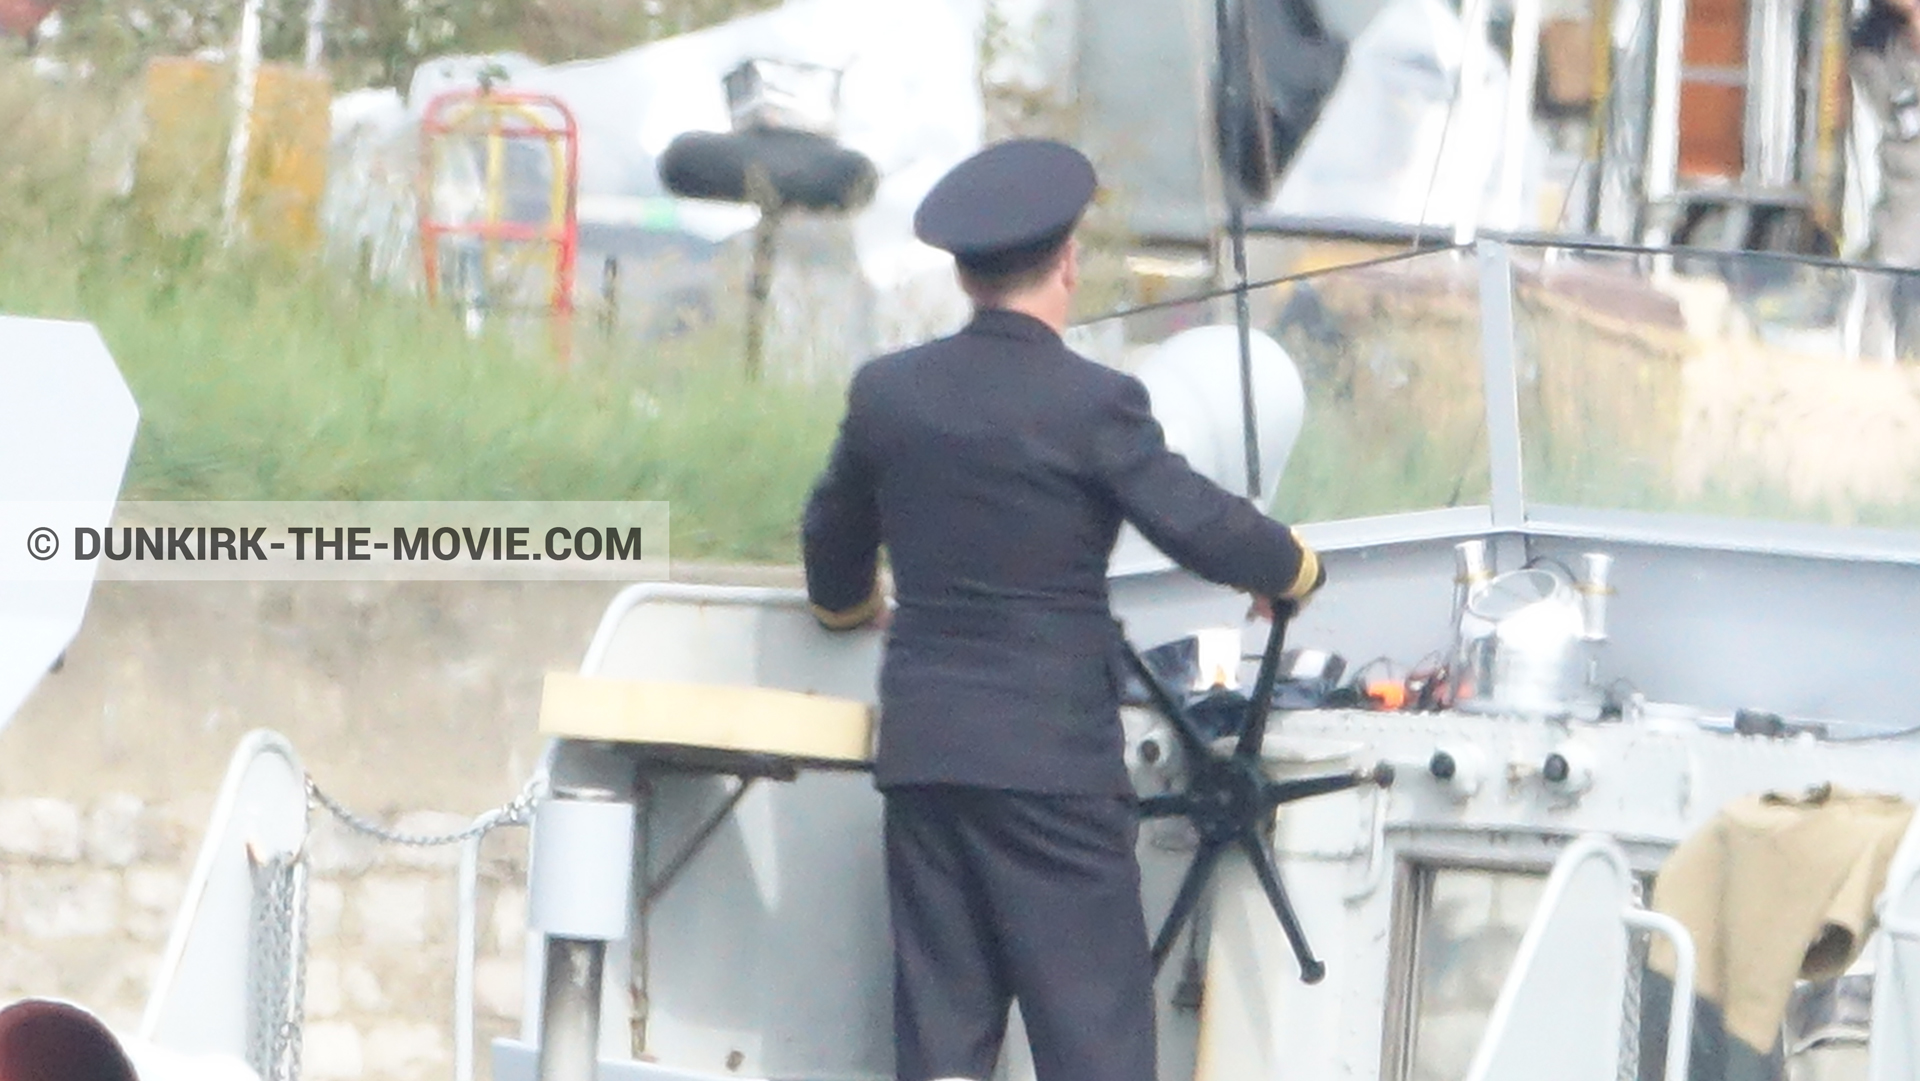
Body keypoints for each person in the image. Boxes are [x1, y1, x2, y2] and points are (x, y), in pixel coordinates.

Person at [801, 138, 1325, 1081]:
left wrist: (849, 609)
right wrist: (1288, 567)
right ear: (1069, 263)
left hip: (927, 761)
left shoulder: (890, 395)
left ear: (962, 272)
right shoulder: (1092, 402)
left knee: (942, 1045)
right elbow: (1193, 519)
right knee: (1094, 1046)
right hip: (1051, 774)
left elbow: (830, 536)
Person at [1852, 0, 1920, 360]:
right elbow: (1902, 116)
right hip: (1907, 192)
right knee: (1885, 284)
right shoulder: (1874, 48)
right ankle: (1873, 380)